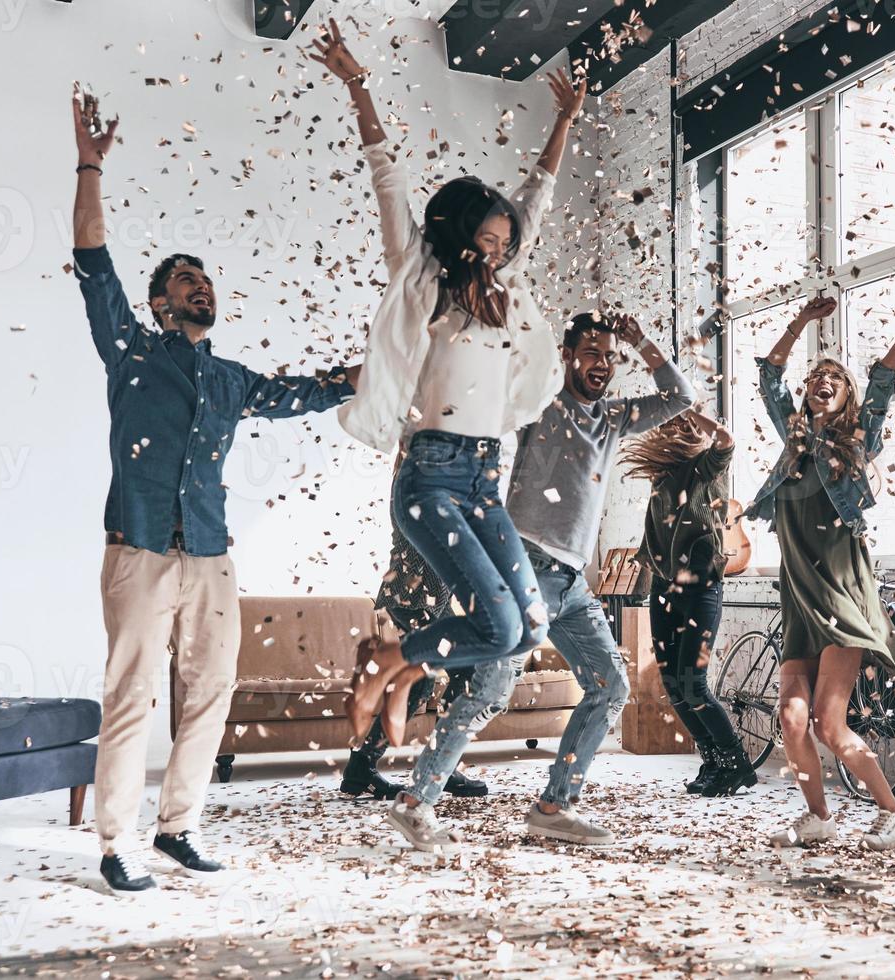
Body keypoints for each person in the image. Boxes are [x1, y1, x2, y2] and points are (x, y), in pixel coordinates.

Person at [69, 85, 359, 895]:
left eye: (205, 279)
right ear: (161, 301)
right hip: (137, 549)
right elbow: (93, 258)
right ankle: (115, 840)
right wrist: (90, 163)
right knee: (132, 692)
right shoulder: (130, 350)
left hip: (210, 554)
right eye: (187, 279)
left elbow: (304, 392)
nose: (202, 287)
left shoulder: (230, 379)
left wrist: (372, 374)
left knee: (212, 690)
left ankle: (179, 827)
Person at [309, 19, 585, 849]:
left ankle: (401, 672)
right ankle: (395, 679)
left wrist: (565, 122)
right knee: (495, 625)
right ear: (460, 236)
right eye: (489, 241)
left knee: (524, 628)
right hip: (428, 475)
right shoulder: (422, 279)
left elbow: (534, 202)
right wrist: (359, 87)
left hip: (482, 475)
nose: (500, 252)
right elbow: (386, 178)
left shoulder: (507, 295)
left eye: (506, 245)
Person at [507, 312, 696, 846]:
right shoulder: (539, 404)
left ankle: (555, 802)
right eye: (591, 351)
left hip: (571, 580)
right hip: (527, 563)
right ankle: (419, 797)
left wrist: (641, 339)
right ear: (567, 355)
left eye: (611, 355)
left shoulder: (614, 417)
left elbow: (679, 396)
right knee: (489, 689)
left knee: (611, 686)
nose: (602, 363)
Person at [746, 294, 895, 853]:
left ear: (845, 399)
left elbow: (886, 377)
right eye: (816, 377)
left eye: (834, 380)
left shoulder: (856, 441)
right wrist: (801, 322)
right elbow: (770, 375)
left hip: (842, 598)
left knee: (828, 724)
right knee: (792, 721)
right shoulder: (794, 443)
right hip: (799, 600)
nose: (823, 382)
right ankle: (818, 817)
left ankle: (893, 814)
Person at [624, 408, 754, 796]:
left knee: (694, 684)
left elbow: (727, 440)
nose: (669, 428)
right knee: (674, 684)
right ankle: (714, 761)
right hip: (663, 588)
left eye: (677, 423)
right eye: (666, 422)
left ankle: (737, 763)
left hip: (701, 589)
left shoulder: (707, 467)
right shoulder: (663, 474)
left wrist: (686, 407)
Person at [338, 510, 485, 800]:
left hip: (428, 597)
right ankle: (438, 766)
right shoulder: (416, 477)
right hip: (414, 595)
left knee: (422, 682)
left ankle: (361, 768)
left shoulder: (428, 476)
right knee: (466, 672)